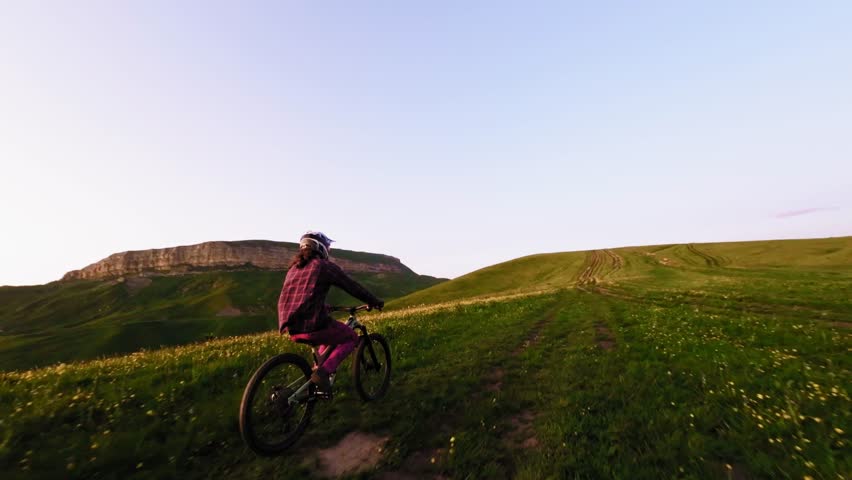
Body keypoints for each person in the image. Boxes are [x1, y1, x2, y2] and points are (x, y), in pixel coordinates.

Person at [278, 231, 384, 392]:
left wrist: (326, 307)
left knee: (329, 336)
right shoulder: (323, 266)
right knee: (351, 337)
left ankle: (317, 373)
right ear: (321, 248)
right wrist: (373, 301)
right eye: (328, 247)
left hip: (292, 328)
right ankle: (323, 372)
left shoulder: (293, 269)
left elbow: (300, 297)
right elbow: (351, 286)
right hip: (312, 327)